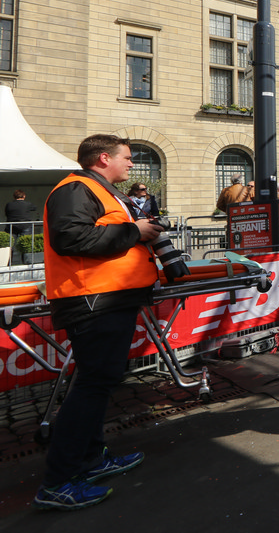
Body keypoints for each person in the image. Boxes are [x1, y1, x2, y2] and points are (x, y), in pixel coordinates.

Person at [34, 135, 166, 510]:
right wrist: (135, 231)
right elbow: (70, 237)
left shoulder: (95, 189)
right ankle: (57, 481)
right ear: (104, 158)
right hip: (93, 301)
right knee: (93, 385)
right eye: (128, 157)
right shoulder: (76, 188)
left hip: (104, 299)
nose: (132, 164)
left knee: (97, 383)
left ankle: (90, 460)